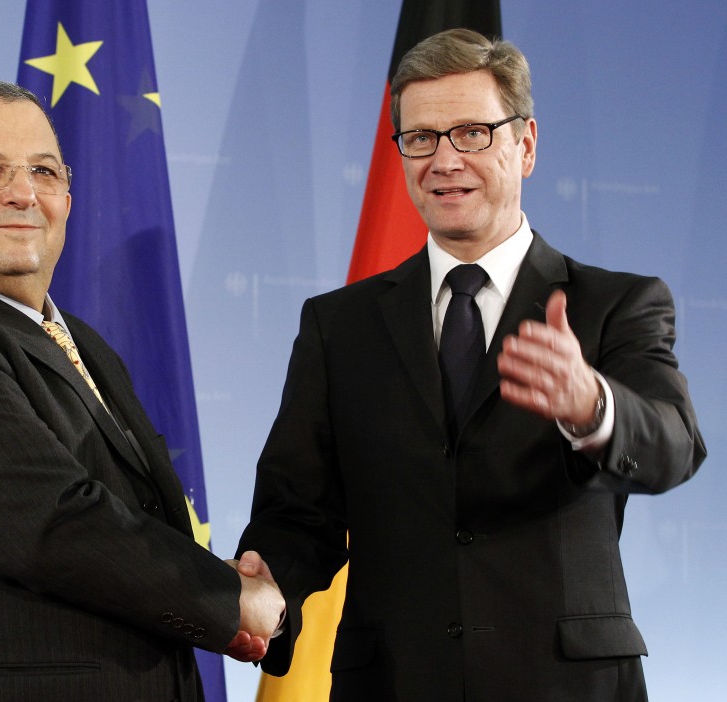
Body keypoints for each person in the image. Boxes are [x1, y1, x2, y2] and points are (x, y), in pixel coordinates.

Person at [236, 28, 706, 702]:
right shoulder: (339, 325)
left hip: (567, 685)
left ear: (527, 144)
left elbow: (673, 445)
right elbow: (298, 510)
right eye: (421, 138)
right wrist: (267, 579)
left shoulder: (614, 305)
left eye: (472, 133)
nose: (444, 159)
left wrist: (592, 405)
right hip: (393, 682)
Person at [0, 80, 283, 701]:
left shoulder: (86, 344)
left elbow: (136, 522)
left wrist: (219, 588)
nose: (23, 192)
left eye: (44, 171)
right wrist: (226, 600)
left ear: (66, 199)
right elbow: (49, 525)